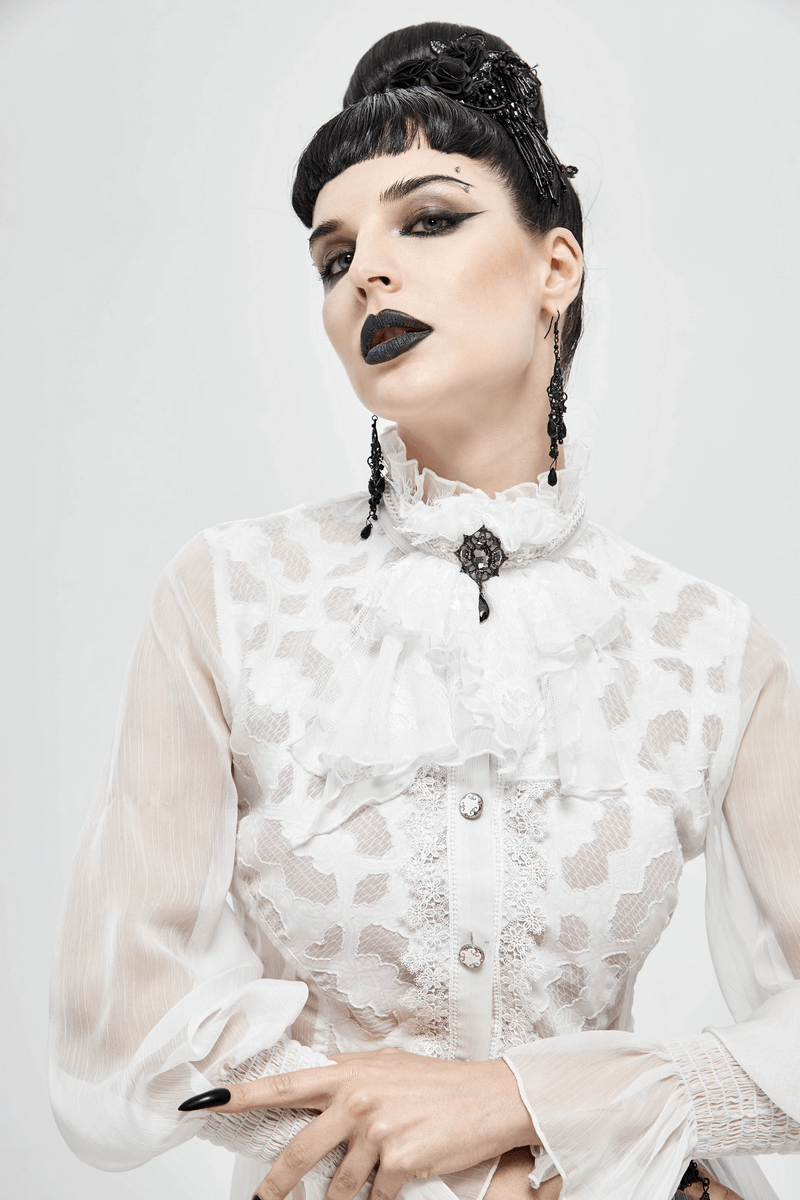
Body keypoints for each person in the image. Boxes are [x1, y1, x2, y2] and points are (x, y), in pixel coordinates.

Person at [49, 21, 800, 1200]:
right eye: (331, 253)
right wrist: (456, 1146)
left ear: (557, 264)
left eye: (429, 220)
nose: (367, 274)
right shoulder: (227, 598)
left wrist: (537, 1104)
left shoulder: (704, 644)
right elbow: (118, 1024)